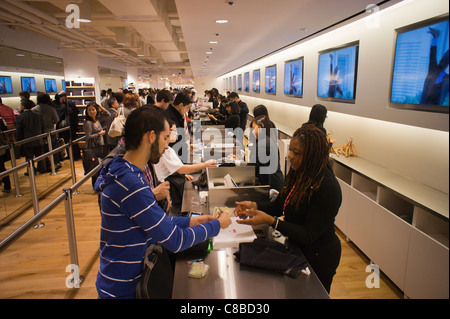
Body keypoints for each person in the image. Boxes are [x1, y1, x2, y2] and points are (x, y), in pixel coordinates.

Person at [94, 106, 231, 299]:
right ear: (151, 136)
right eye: (165, 138)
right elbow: (175, 241)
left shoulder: (127, 172)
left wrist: (191, 221)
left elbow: (155, 223)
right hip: (124, 289)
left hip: (122, 281)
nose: (167, 145)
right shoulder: (131, 184)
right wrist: (216, 225)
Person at [234, 124, 342, 293]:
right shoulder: (298, 173)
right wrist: (254, 206)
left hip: (319, 256)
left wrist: (272, 222)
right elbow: (280, 206)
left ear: (312, 156)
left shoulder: (327, 188)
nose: (290, 156)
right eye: (290, 150)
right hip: (297, 247)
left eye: (296, 153)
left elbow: (308, 234)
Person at [249, 115, 284, 191]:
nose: (252, 131)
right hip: (273, 183)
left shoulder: (264, 143)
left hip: (273, 186)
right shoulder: (267, 140)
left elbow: (252, 167)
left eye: (254, 128)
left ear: (262, 126)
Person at [15, 99, 47, 175]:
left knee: (29, 158)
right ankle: (42, 169)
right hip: (39, 139)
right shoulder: (38, 116)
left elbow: (19, 130)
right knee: (40, 156)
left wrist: (19, 141)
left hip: (27, 141)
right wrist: (44, 138)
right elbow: (43, 128)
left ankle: (31, 171)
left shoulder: (20, 117)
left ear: (23, 106)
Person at [164, 92, 192, 163]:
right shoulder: (169, 117)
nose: (188, 110)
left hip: (179, 153)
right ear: (181, 105)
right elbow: (173, 141)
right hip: (174, 156)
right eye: (187, 107)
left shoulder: (177, 114)